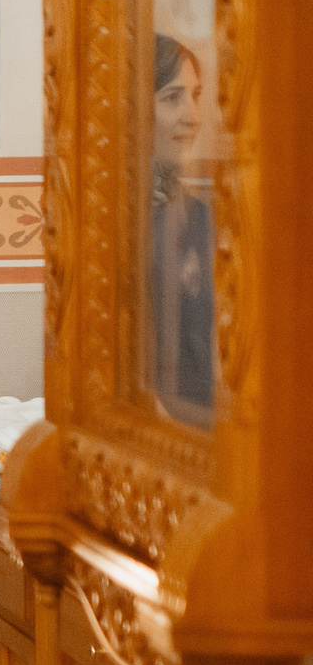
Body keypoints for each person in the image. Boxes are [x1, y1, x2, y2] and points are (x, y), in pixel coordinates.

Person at [149, 34, 214, 423]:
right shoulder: (113, 229)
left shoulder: (200, 219)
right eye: (172, 97)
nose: (193, 116)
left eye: (195, 95)